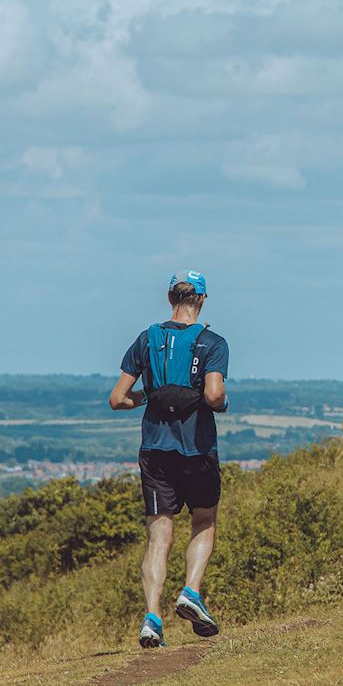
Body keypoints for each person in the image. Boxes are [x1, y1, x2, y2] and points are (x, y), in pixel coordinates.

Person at [109, 271, 230, 649]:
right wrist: (223, 402)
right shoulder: (213, 342)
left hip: (155, 450)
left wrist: (150, 394)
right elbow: (213, 396)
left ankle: (152, 618)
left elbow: (117, 399)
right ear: (204, 300)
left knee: (159, 534)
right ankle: (191, 592)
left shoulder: (147, 339)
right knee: (204, 520)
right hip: (196, 448)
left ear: (169, 297)